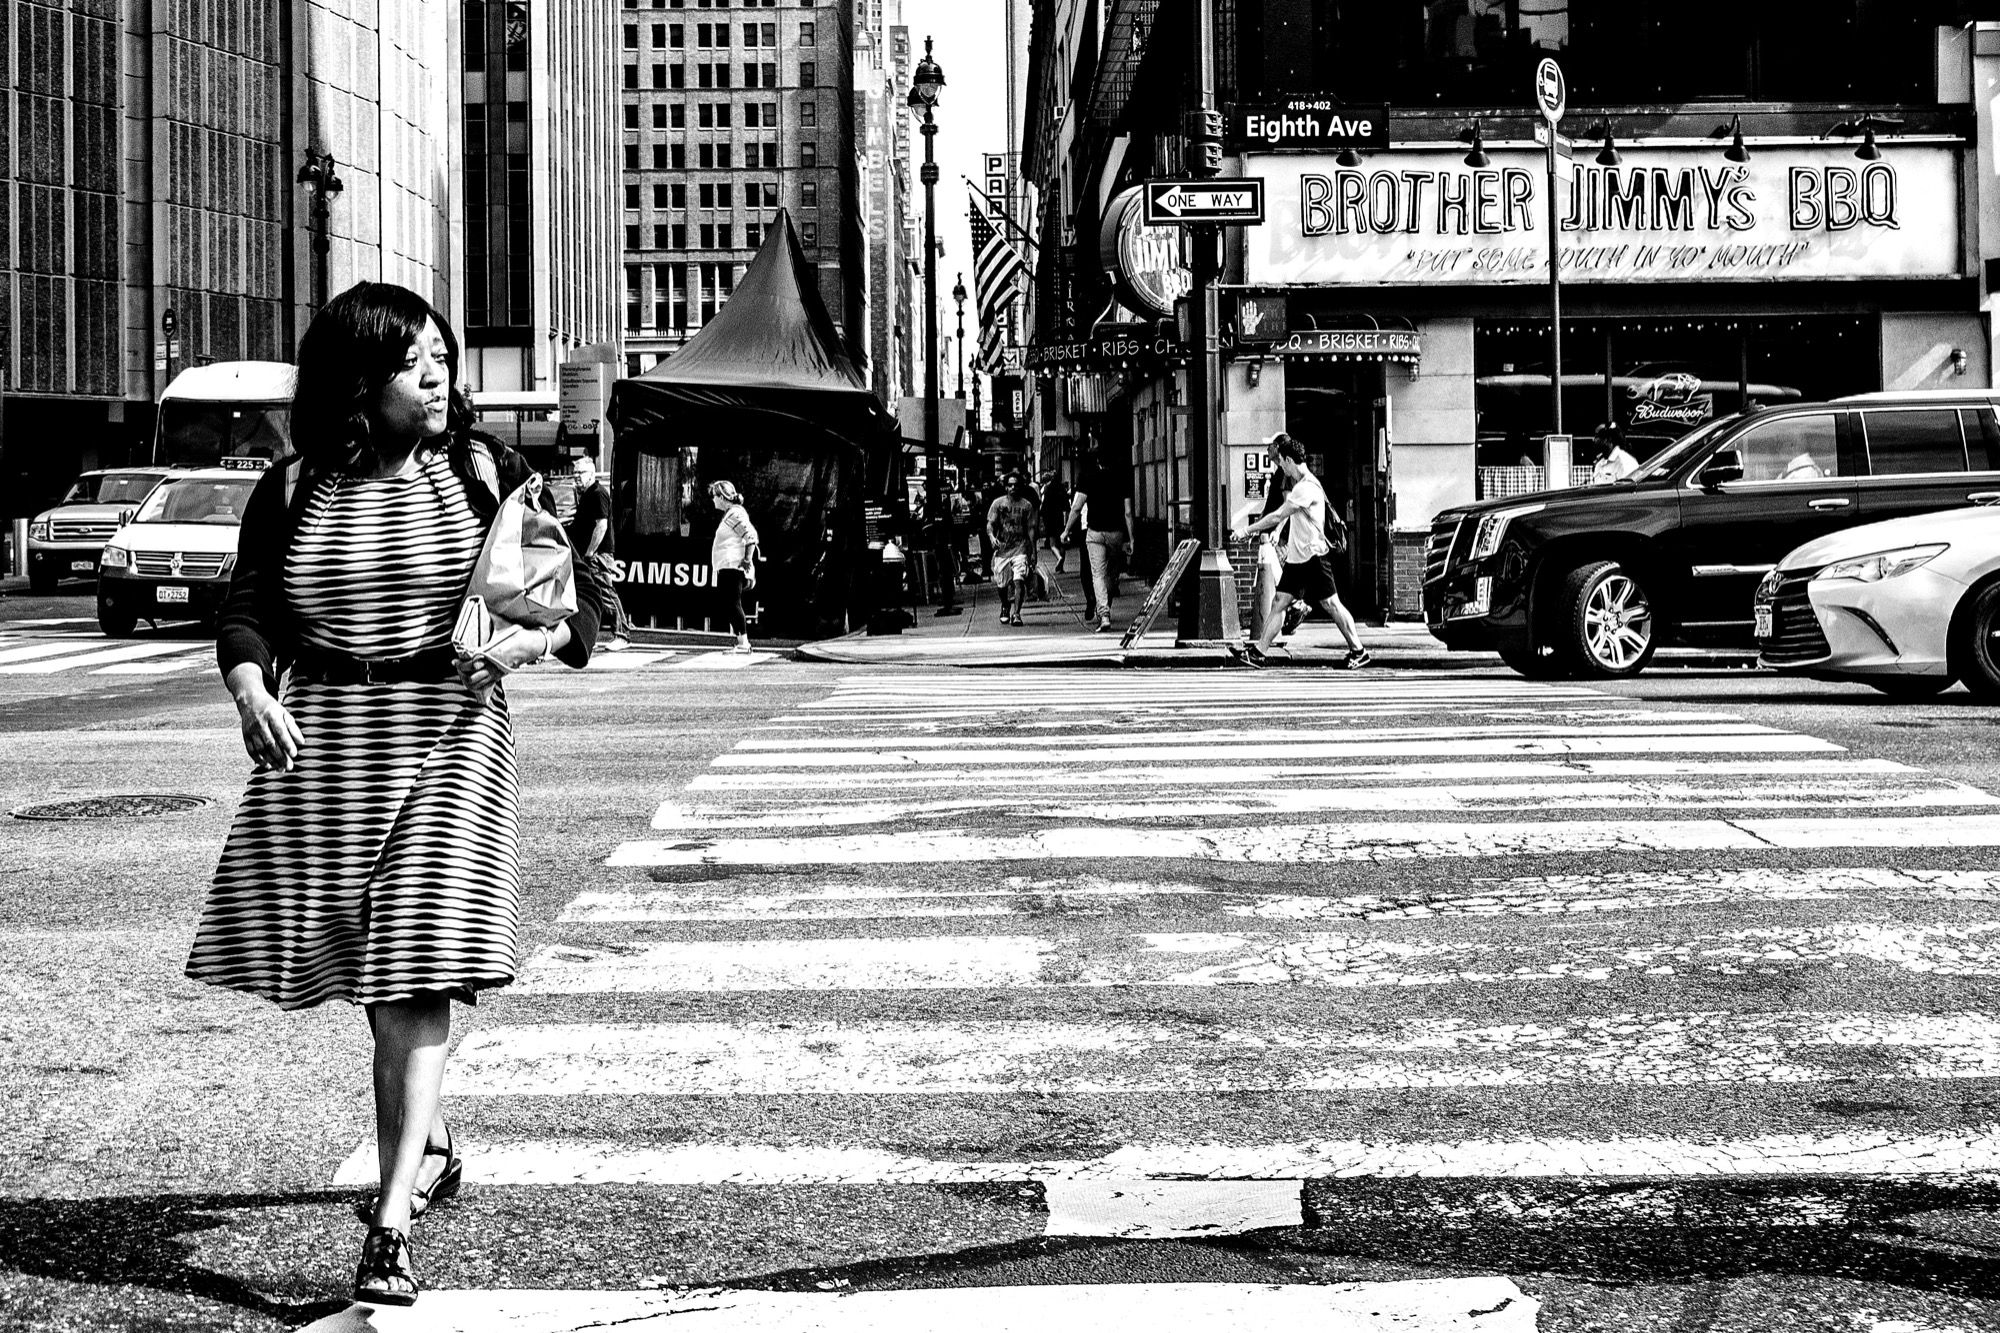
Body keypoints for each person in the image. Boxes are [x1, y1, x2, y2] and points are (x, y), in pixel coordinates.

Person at [186, 282, 602, 1307]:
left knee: (416, 972)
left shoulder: (481, 471)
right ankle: (429, 1136)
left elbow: (573, 612)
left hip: (451, 742)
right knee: (374, 977)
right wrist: (250, 689)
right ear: (357, 380)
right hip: (328, 744)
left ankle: (389, 1223)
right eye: (412, 362)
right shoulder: (293, 486)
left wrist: (527, 642)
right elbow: (247, 611)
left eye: (441, 358)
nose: (436, 376)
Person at [1231, 433, 1370, 669]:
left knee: (1331, 604)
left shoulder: (1306, 487)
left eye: (1282, 462)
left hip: (1314, 557)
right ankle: (1258, 652)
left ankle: (1359, 650)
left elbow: (1278, 515)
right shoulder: (1302, 485)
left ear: (1289, 460)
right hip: (1298, 559)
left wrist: (1247, 531)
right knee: (1279, 602)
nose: (1281, 467)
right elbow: (1285, 516)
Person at [1066, 450, 1136, 632]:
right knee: (1111, 574)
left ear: (1098, 461)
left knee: (1097, 574)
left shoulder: (1088, 478)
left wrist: (1066, 530)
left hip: (1095, 532)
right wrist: (1131, 538)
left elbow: (1076, 507)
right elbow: (1128, 512)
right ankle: (1105, 605)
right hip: (1116, 533)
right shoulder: (1122, 479)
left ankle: (1104, 615)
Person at [566, 455, 629, 651]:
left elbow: (601, 525)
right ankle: (587, 635)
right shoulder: (587, 495)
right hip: (588, 554)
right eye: (574, 473)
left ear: (591, 474)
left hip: (597, 555)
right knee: (589, 595)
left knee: (606, 593)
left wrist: (590, 552)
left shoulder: (598, 494)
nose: (576, 477)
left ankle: (622, 634)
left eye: (580, 473)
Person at [709, 479, 760, 652]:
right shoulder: (731, 514)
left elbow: (750, 536)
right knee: (730, 604)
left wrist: (747, 559)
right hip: (728, 566)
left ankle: (743, 643)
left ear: (722, 497)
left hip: (733, 566)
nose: (713, 500)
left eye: (714, 496)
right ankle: (741, 641)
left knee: (733, 603)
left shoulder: (735, 514)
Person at [986, 468, 1041, 627]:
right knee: (1002, 585)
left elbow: (1031, 529)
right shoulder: (998, 504)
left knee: (1019, 581)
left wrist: (1033, 551)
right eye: (1010, 485)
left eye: (1016, 485)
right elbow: (990, 524)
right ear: (1006, 487)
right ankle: (1005, 605)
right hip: (1002, 549)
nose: (1013, 488)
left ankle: (1016, 614)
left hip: (1020, 548)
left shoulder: (1026, 506)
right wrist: (992, 537)